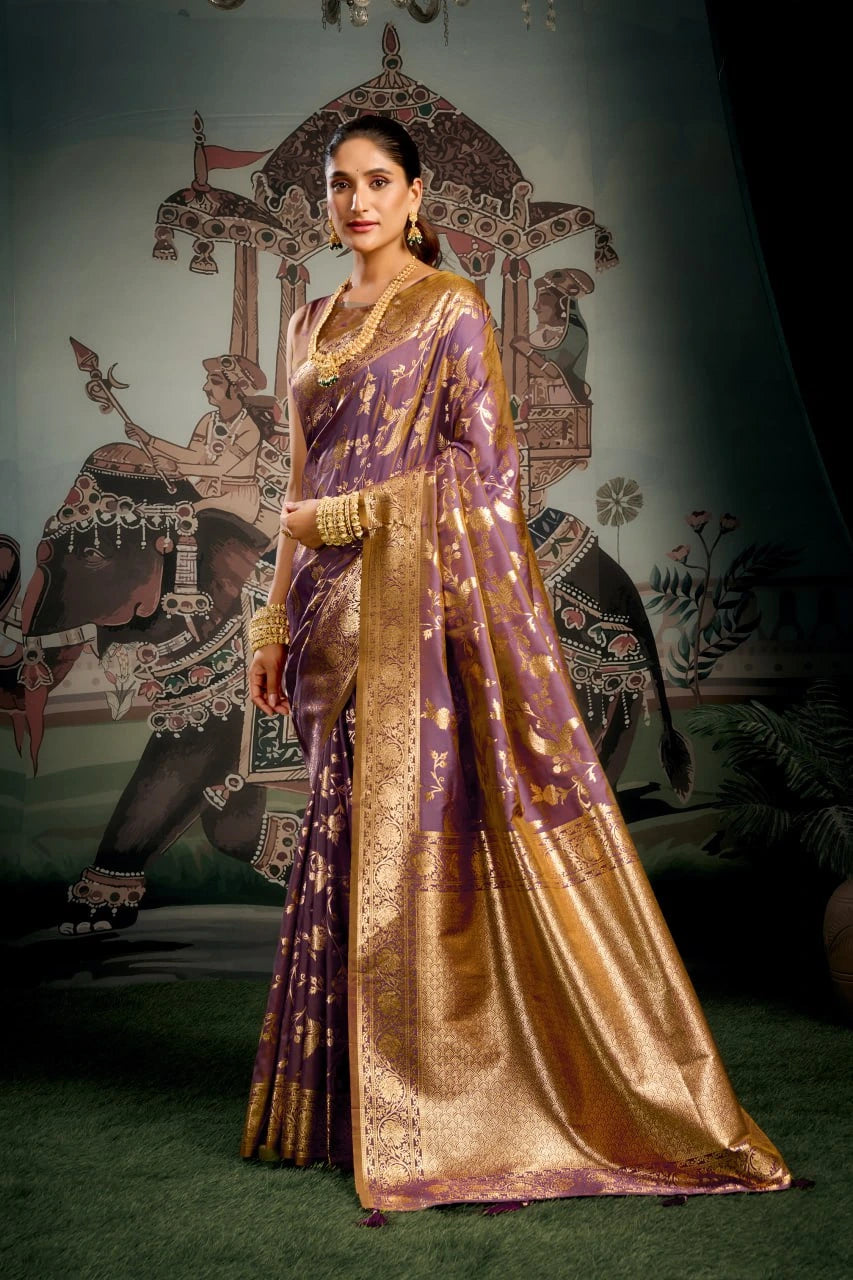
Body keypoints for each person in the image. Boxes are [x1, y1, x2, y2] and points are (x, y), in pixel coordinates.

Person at [241, 114, 792, 1217]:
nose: (357, 202)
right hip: (320, 618)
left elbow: (485, 475)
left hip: (412, 611)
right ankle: (344, 1106)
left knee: (408, 835)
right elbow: (296, 477)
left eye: (377, 181)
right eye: (340, 184)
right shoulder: (305, 320)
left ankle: (444, 1103)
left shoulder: (450, 309)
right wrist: (267, 617)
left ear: (415, 194)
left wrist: (355, 515)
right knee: (343, 834)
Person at [126, 354, 267, 525]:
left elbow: (220, 469)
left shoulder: (249, 429)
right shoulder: (209, 420)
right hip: (205, 491)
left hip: (237, 500)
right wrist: (149, 440)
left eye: (215, 382)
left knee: (183, 513)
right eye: (208, 381)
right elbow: (194, 457)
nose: (205, 387)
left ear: (237, 389)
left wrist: (177, 468)